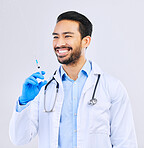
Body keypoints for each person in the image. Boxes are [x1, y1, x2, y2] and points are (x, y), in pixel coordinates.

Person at [9, 11, 138, 148]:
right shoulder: (43, 89)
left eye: (67, 36)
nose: (59, 43)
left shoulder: (112, 87)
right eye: (56, 37)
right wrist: (24, 102)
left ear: (86, 41)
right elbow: (19, 139)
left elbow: (125, 143)